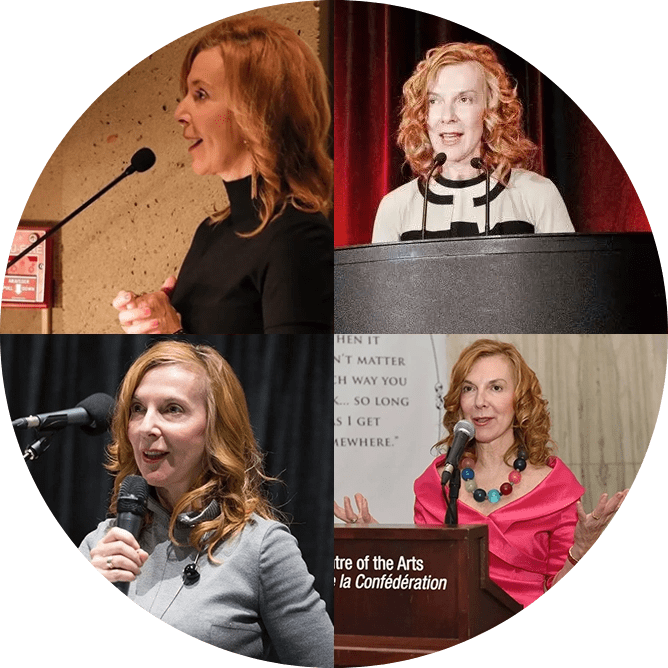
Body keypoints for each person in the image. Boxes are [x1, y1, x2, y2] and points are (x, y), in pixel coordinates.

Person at [80, 341, 333, 666]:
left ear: (216, 429)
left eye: (172, 409)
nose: (146, 427)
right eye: (138, 409)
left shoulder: (262, 548)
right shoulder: (101, 542)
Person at [335, 339, 627, 608]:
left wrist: (581, 549)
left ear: (520, 400)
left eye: (496, 388)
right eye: (469, 388)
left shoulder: (556, 489)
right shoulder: (438, 482)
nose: (479, 401)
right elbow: (425, 584)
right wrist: (376, 539)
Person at [113, 15, 333, 334]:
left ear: (258, 111)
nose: (180, 113)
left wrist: (174, 338)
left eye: (200, 94)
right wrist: (155, 316)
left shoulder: (299, 238)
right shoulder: (211, 231)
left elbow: (294, 380)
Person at [371, 43, 575, 242]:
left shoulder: (537, 194)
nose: (447, 116)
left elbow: (570, 275)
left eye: (464, 99)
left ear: (490, 110)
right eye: (434, 101)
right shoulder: (395, 208)